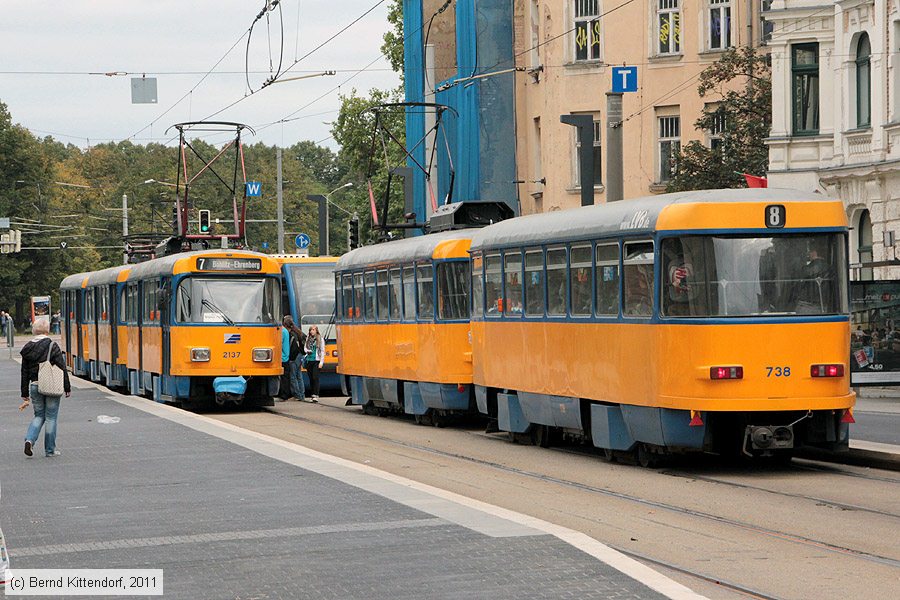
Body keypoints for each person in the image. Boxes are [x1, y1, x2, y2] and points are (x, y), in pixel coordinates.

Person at [19, 319, 71, 457]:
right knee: (51, 417)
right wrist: (67, 386)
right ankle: (50, 450)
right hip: (51, 385)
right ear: (47, 330)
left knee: (38, 415)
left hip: (35, 385)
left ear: (34, 330)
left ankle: (29, 440)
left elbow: (24, 372)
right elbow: (61, 367)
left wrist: (24, 392)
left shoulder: (27, 348)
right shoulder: (52, 345)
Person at [284, 316, 306, 402]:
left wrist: (290, 358)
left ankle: (297, 395)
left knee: (293, 376)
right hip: (300, 355)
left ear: (285, 325)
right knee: (299, 376)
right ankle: (302, 394)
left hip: (294, 357)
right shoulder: (298, 332)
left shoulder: (291, 334)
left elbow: (291, 347)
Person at [303, 325, 326, 402]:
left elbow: (322, 351)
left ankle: (316, 394)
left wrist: (321, 362)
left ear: (316, 331)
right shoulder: (308, 339)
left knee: (315, 377)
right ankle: (312, 394)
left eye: (313, 330)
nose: (311, 331)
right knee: (310, 378)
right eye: (310, 330)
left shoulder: (320, 339)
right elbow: (305, 348)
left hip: (316, 360)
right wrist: (307, 351)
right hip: (309, 360)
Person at [277, 316, 291, 402]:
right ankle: (285, 394)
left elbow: (278, 343)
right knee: (285, 377)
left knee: (283, 378)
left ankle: (284, 394)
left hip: (282, 357)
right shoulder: (285, 331)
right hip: (285, 356)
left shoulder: (281, 331)